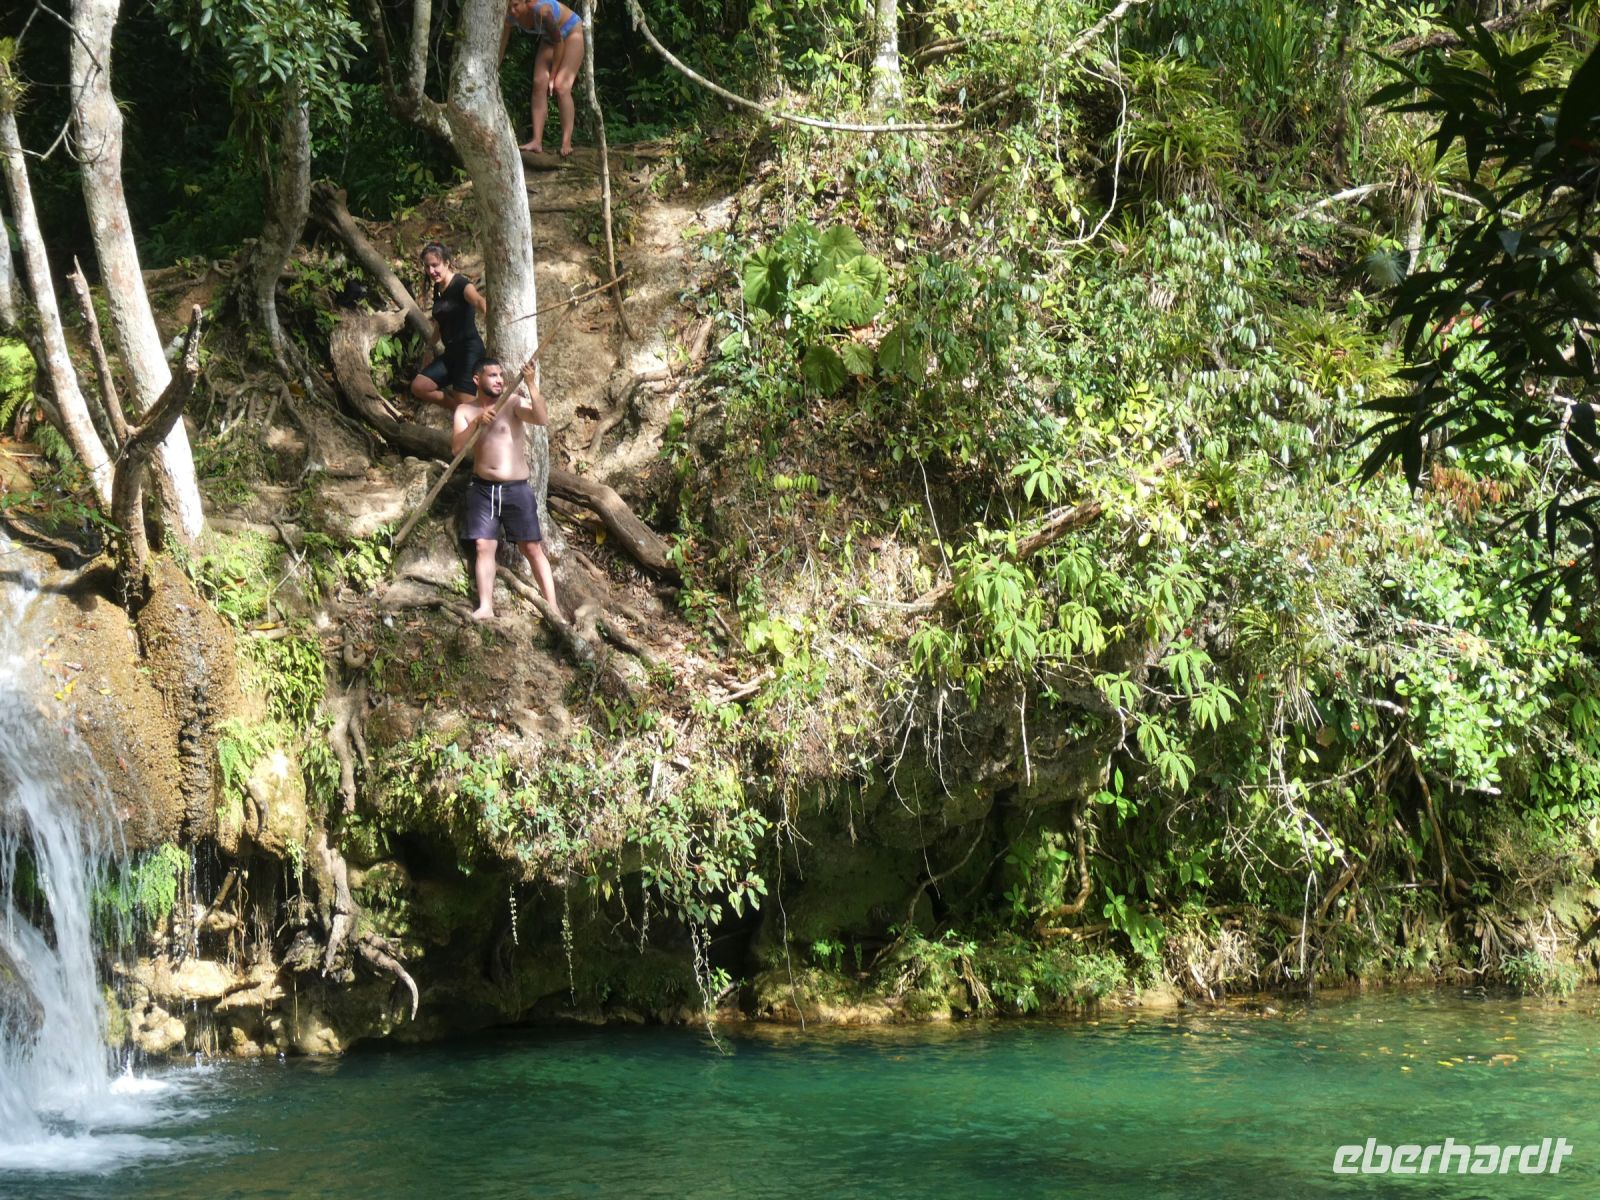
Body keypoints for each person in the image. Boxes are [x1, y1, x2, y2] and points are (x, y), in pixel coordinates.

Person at [453, 356, 560, 621]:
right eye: (492, 375)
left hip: (516, 489)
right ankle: (485, 606)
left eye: (501, 375)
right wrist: (477, 422)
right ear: (477, 380)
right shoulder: (465, 411)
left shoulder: (512, 403)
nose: (499, 380)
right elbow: (456, 448)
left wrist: (532, 385)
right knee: (483, 546)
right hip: (482, 489)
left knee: (532, 548)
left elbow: (541, 418)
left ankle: (553, 608)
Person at [499, 0, 585, 157]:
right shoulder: (510, 16)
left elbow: (559, 41)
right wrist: (495, 64)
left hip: (570, 31)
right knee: (539, 83)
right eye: (509, 6)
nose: (512, 10)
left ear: (526, 3)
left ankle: (566, 142)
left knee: (561, 87)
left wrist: (552, 76)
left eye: (516, 5)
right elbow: (503, 39)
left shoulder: (542, 12)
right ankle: (536, 141)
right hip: (550, 38)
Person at [412, 241, 486, 410]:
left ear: (446, 262)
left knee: (465, 404)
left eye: (435, 265)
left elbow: (478, 300)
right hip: (451, 353)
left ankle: (467, 414)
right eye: (427, 266)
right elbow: (440, 323)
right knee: (419, 386)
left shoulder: (461, 284)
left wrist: (490, 313)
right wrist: (430, 348)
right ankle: (459, 409)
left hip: (469, 352)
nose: (431, 271)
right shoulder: (438, 288)